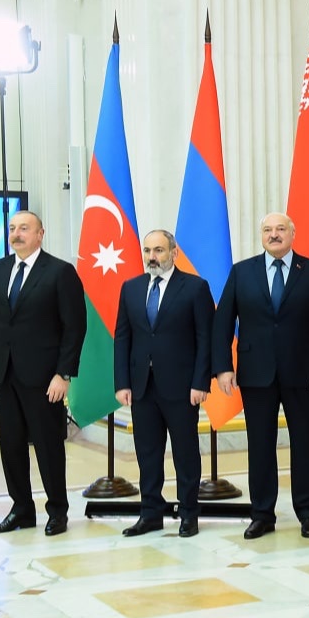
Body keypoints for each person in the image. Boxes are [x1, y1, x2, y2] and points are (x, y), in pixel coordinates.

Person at [213, 212, 309, 539]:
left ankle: (308, 513)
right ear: (261, 236)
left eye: (280, 229)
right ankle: (262, 514)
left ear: (292, 234)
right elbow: (222, 323)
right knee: (260, 446)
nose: (274, 235)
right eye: (268, 230)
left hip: (304, 374)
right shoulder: (242, 272)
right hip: (256, 375)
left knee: (306, 444)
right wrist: (223, 367)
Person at [0, 210, 87, 536]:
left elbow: (74, 327)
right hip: (4, 375)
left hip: (45, 378)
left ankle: (58, 511)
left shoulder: (60, 272)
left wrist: (63, 374)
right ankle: (21, 509)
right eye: (12, 228)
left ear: (40, 233)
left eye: (24, 228)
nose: (16, 234)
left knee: (48, 446)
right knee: (10, 446)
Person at [114, 230, 215, 538]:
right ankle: (150, 514)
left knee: (185, 453)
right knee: (148, 454)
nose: (152, 257)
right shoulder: (131, 288)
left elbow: (205, 338)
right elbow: (123, 338)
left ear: (174, 253)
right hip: (142, 386)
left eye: (158, 250)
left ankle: (189, 514)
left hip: (182, 387)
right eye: (147, 250)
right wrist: (122, 383)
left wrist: (201, 382)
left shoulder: (195, 287)